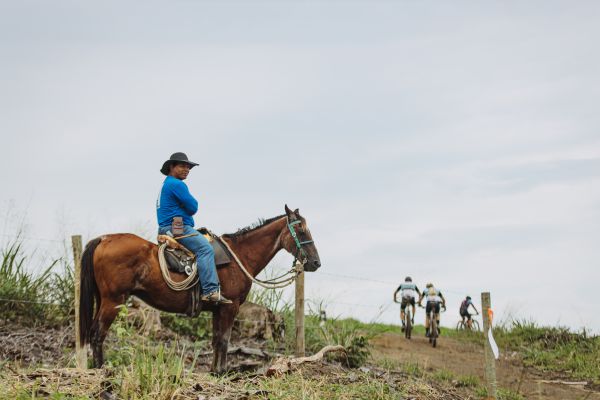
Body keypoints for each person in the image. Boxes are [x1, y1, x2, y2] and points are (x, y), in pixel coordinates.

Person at [156, 152, 232, 304]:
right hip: (176, 225)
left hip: (167, 226)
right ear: (172, 167)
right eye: (182, 166)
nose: (187, 169)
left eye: (189, 168)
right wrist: (186, 209)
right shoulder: (177, 184)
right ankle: (210, 291)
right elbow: (193, 207)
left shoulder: (167, 183)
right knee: (205, 249)